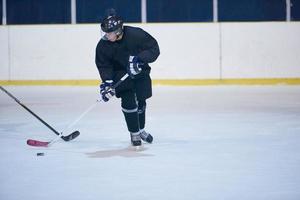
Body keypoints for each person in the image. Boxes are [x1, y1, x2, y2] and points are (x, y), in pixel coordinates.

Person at [95, 10, 160, 146]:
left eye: (109, 33)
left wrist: (140, 59)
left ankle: (141, 129)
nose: (106, 35)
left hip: (140, 70)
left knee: (141, 101)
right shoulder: (103, 45)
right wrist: (107, 83)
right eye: (105, 32)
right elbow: (104, 65)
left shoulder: (136, 34)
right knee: (128, 102)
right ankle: (134, 132)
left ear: (118, 31)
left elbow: (154, 48)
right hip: (120, 74)